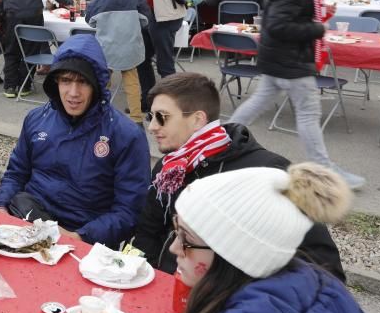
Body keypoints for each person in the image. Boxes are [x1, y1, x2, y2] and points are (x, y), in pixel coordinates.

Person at [148, 164, 380, 313]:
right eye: (176, 231)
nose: (174, 248)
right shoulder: (322, 292)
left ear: (233, 253)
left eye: (185, 237)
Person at [132, 72, 345, 280]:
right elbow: (148, 230)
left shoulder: (269, 172)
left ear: (198, 119)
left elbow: (323, 264)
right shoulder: (168, 168)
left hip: (228, 302)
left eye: (161, 117)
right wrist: (141, 276)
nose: (152, 127)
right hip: (169, 284)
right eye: (151, 117)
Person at [228, 0, 366, 189]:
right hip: (290, 60)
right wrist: (318, 28)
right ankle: (326, 172)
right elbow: (279, 25)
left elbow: (288, 18)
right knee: (308, 113)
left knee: (258, 103)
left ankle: (219, 142)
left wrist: (319, 13)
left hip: (280, 57)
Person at [0, 35, 150, 247]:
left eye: (83, 82)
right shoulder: (37, 119)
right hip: (29, 224)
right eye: (66, 80)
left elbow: (129, 211)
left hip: (86, 238)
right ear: (55, 81)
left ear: (97, 85)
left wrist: (80, 236)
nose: (73, 93)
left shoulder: (126, 135)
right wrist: (0, 207)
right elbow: (16, 173)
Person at [85, 0, 151, 124]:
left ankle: (100, 115)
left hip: (106, 49)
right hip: (131, 47)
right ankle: (136, 119)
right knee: (132, 84)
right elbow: (146, 20)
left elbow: (89, 20)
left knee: (103, 82)